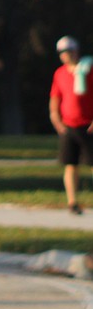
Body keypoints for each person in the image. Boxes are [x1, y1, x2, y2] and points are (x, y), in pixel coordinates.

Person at [49, 35, 93, 214]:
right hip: (68, 126)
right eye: (62, 52)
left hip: (88, 126)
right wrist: (55, 118)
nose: (65, 54)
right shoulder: (60, 73)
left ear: (76, 51)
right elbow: (55, 97)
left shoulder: (89, 69)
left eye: (68, 51)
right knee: (70, 164)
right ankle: (73, 202)